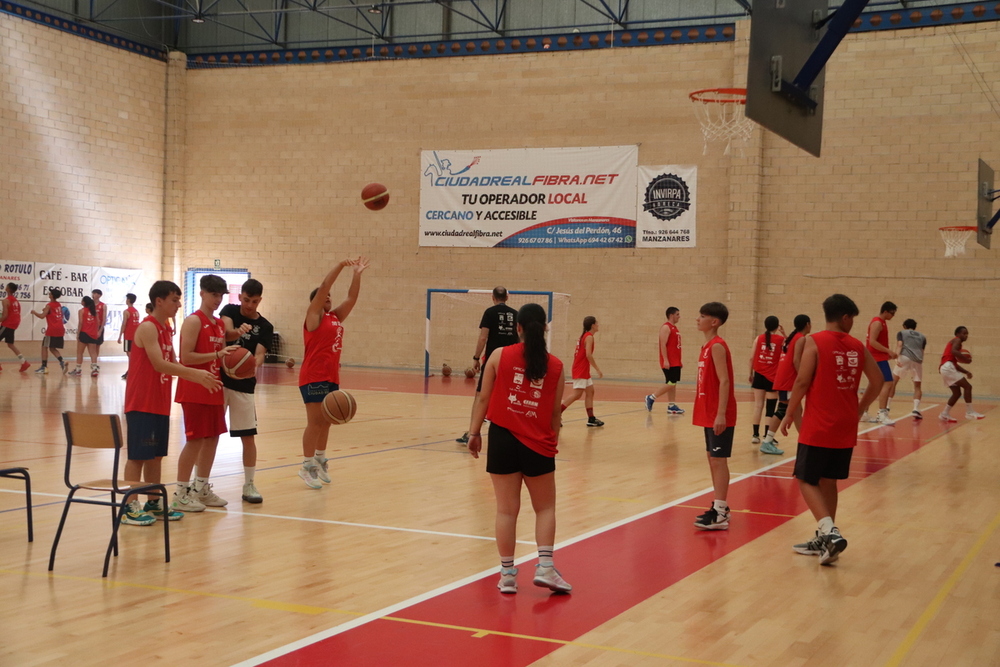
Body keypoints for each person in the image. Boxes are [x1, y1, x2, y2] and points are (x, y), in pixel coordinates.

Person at [467, 303, 570, 594]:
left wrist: (473, 432)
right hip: (538, 442)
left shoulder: (499, 355)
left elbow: (483, 398)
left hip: (502, 439)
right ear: (545, 328)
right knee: (545, 507)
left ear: (518, 328)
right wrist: (552, 443)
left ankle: (507, 575)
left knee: (506, 511)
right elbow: (554, 415)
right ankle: (546, 568)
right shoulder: (557, 366)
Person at [781, 294, 883, 565]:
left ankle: (829, 531)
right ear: (846, 317)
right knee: (829, 480)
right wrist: (860, 408)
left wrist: (789, 412)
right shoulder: (858, 347)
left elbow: (802, 381)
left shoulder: (814, 341)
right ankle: (825, 539)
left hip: (819, 424)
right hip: (845, 425)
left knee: (805, 479)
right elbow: (878, 380)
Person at [121, 281, 222, 525]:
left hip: (160, 403)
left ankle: (153, 502)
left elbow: (174, 363)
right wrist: (196, 374)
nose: (178, 305)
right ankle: (129, 506)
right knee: (137, 457)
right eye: (174, 300)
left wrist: (200, 374)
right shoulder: (147, 328)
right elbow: (160, 364)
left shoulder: (166, 329)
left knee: (155, 457)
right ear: (159, 301)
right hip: (141, 402)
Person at [170, 275, 241, 512]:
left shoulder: (219, 324)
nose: (217, 300)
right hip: (194, 388)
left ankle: (200, 488)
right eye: (213, 295)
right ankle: (180, 492)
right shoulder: (193, 321)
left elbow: (221, 355)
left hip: (213, 387)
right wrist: (217, 355)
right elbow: (186, 357)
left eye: (220, 295)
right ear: (201, 293)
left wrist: (237, 362)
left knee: (212, 438)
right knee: (195, 440)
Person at [298, 257, 369, 489]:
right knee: (315, 423)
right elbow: (325, 286)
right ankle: (306, 465)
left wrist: (357, 274)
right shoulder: (314, 316)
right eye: (323, 296)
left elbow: (351, 298)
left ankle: (319, 459)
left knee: (327, 422)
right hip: (313, 375)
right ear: (315, 302)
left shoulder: (335, 317)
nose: (328, 297)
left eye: (329, 296)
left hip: (330, 376)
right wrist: (340, 266)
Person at [220, 279, 273, 504]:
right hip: (220, 383)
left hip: (244, 385)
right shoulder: (229, 310)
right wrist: (236, 332)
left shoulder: (266, 327)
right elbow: (226, 331)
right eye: (246, 300)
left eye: (254, 301)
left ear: (260, 300)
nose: (249, 305)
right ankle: (199, 483)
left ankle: (249, 484)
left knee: (248, 437)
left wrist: (252, 365)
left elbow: (260, 354)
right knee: (209, 435)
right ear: (239, 296)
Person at [692, 302, 737, 530]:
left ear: (714, 321)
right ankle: (719, 507)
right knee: (712, 459)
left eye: (702, 316)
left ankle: (721, 511)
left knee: (719, 460)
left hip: (719, 413)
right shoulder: (706, 346)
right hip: (707, 411)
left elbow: (725, 380)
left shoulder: (718, 346)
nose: (697, 319)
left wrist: (721, 414)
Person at [456, 287, 519, 445]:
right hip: (511, 361)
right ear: (507, 297)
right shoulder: (516, 314)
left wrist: (476, 357)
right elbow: (520, 338)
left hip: (493, 361)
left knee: (480, 396)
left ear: (493, 297)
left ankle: (471, 433)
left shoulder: (489, 313)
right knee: (510, 397)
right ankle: (514, 434)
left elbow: (483, 338)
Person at [760, 314, 812, 454]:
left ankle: (768, 441)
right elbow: (796, 361)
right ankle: (805, 443)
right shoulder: (800, 338)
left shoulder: (793, 338)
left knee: (787, 409)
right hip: (789, 380)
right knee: (793, 411)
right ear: (807, 324)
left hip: (783, 377)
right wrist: (804, 376)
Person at [560, 316, 604, 427]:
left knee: (590, 392)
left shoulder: (585, 336)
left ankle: (591, 418)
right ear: (593, 325)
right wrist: (598, 369)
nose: (598, 325)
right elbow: (588, 354)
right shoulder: (589, 337)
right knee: (577, 394)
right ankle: (556, 413)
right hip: (581, 369)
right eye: (597, 323)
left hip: (582, 368)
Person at [748, 316, 784, 451]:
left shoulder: (758, 338)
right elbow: (789, 350)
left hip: (758, 375)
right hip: (772, 378)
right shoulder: (781, 340)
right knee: (770, 408)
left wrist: (750, 374)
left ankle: (755, 435)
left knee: (758, 406)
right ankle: (767, 436)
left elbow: (752, 357)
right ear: (777, 326)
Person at [938, 326, 984, 422]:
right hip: (947, 367)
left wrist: (966, 372)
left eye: (967, 334)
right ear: (958, 334)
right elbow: (953, 351)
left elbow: (955, 365)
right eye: (964, 333)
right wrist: (966, 359)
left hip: (946, 367)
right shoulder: (957, 340)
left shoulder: (955, 345)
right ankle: (970, 412)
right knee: (968, 387)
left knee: (957, 393)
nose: (966, 335)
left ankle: (944, 414)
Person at [644, 307, 685, 415]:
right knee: (671, 383)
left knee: (672, 383)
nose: (679, 316)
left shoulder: (674, 328)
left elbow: (675, 346)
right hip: (669, 361)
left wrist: (679, 361)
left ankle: (671, 406)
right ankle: (651, 397)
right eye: (677, 314)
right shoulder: (666, 327)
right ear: (671, 315)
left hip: (675, 361)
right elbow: (663, 344)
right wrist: (665, 360)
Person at [864, 301, 897, 425]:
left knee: (874, 385)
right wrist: (888, 351)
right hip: (876, 358)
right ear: (885, 311)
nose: (893, 316)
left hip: (878, 357)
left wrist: (886, 354)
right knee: (888, 382)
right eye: (892, 313)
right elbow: (872, 342)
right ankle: (882, 413)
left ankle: (863, 412)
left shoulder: (881, 322)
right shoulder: (877, 323)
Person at [890, 318, 926, 420]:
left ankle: (887, 407)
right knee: (917, 386)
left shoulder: (902, 332)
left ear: (904, 326)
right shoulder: (922, 336)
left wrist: (896, 357)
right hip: (918, 359)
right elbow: (922, 351)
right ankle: (916, 409)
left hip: (905, 357)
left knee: (894, 381)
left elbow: (900, 345)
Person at [29, 288, 66, 374]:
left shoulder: (49, 305)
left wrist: (34, 312)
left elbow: (42, 316)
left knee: (44, 347)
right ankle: (62, 362)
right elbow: (52, 313)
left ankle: (44, 367)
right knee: (52, 348)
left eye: (50, 293)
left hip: (52, 329)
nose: (49, 294)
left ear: (52, 296)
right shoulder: (58, 304)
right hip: (60, 328)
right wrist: (47, 311)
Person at [0, 282, 30, 372]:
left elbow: (5, 316)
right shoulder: (16, 300)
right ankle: (24, 362)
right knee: (10, 344)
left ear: (8, 289)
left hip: (7, 324)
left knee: (10, 344)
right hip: (14, 324)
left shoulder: (5, 301)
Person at [67, 296, 100, 377]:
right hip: (93, 334)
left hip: (84, 333)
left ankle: (78, 370)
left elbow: (81, 323)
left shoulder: (81, 311)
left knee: (79, 352)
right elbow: (98, 322)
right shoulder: (94, 312)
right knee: (93, 352)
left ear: (84, 302)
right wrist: (95, 331)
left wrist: (78, 334)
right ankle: (94, 369)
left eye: (82, 300)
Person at [117, 293, 141, 380]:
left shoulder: (126, 311)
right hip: (135, 335)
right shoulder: (136, 311)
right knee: (132, 354)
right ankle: (131, 371)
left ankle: (131, 371)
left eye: (127, 298)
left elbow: (124, 324)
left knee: (130, 355)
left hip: (128, 335)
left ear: (129, 300)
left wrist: (120, 336)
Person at [92, 288, 107, 375]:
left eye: (97, 293)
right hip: (91, 327)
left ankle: (95, 363)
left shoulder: (103, 305)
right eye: (94, 293)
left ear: (100, 295)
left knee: (97, 346)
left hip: (99, 327)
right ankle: (93, 363)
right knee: (92, 346)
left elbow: (104, 318)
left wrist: (100, 330)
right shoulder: (90, 305)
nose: (95, 295)